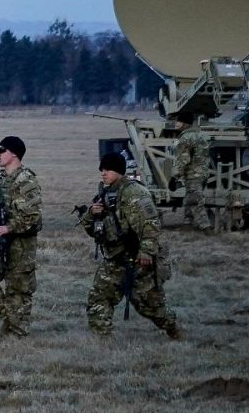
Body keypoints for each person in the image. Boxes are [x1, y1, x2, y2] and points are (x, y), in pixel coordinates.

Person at [82, 152, 185, 339]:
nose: (103, 173)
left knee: (147, 303)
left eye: (107, 170)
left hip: (137, 258)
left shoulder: (135, 193)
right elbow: (94, 229)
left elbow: (150, 224)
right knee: (99, 296)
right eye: (102, 170)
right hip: (115, 257)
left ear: (119, 171)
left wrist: (146, 252)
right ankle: (103, 340)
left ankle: (173, 328)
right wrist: (91, 213)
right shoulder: (106, 193)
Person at [0, 135, 43, 337]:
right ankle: (13, 319)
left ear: (14, 153)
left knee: (18, 291)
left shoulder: (26, 181)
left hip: (20, 248)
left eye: (1, 150)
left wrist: (9, 228)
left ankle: (16, 333)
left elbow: (34, 218)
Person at [171, 115, 214, 233]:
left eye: (179, 121)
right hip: (203, 173)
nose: (176, 123)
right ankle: (187, 224)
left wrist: (175, 176)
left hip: (193, 175)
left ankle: (206, 227)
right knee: (189, 198)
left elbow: (183, 159)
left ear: (185, 123)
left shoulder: (185, 138)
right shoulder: (199, 135)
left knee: (195, 200)